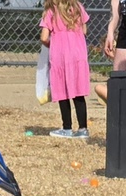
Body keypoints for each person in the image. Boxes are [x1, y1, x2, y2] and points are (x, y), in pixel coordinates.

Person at [40, 0, 91, 139]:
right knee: (78, 91)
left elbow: (44, 37)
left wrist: (54, 43)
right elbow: (84, 30)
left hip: (60, 57)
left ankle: (67, 127)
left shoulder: (51, 11)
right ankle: (83, 128)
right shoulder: (78, 7)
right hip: (78, 54)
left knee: (62, 91)